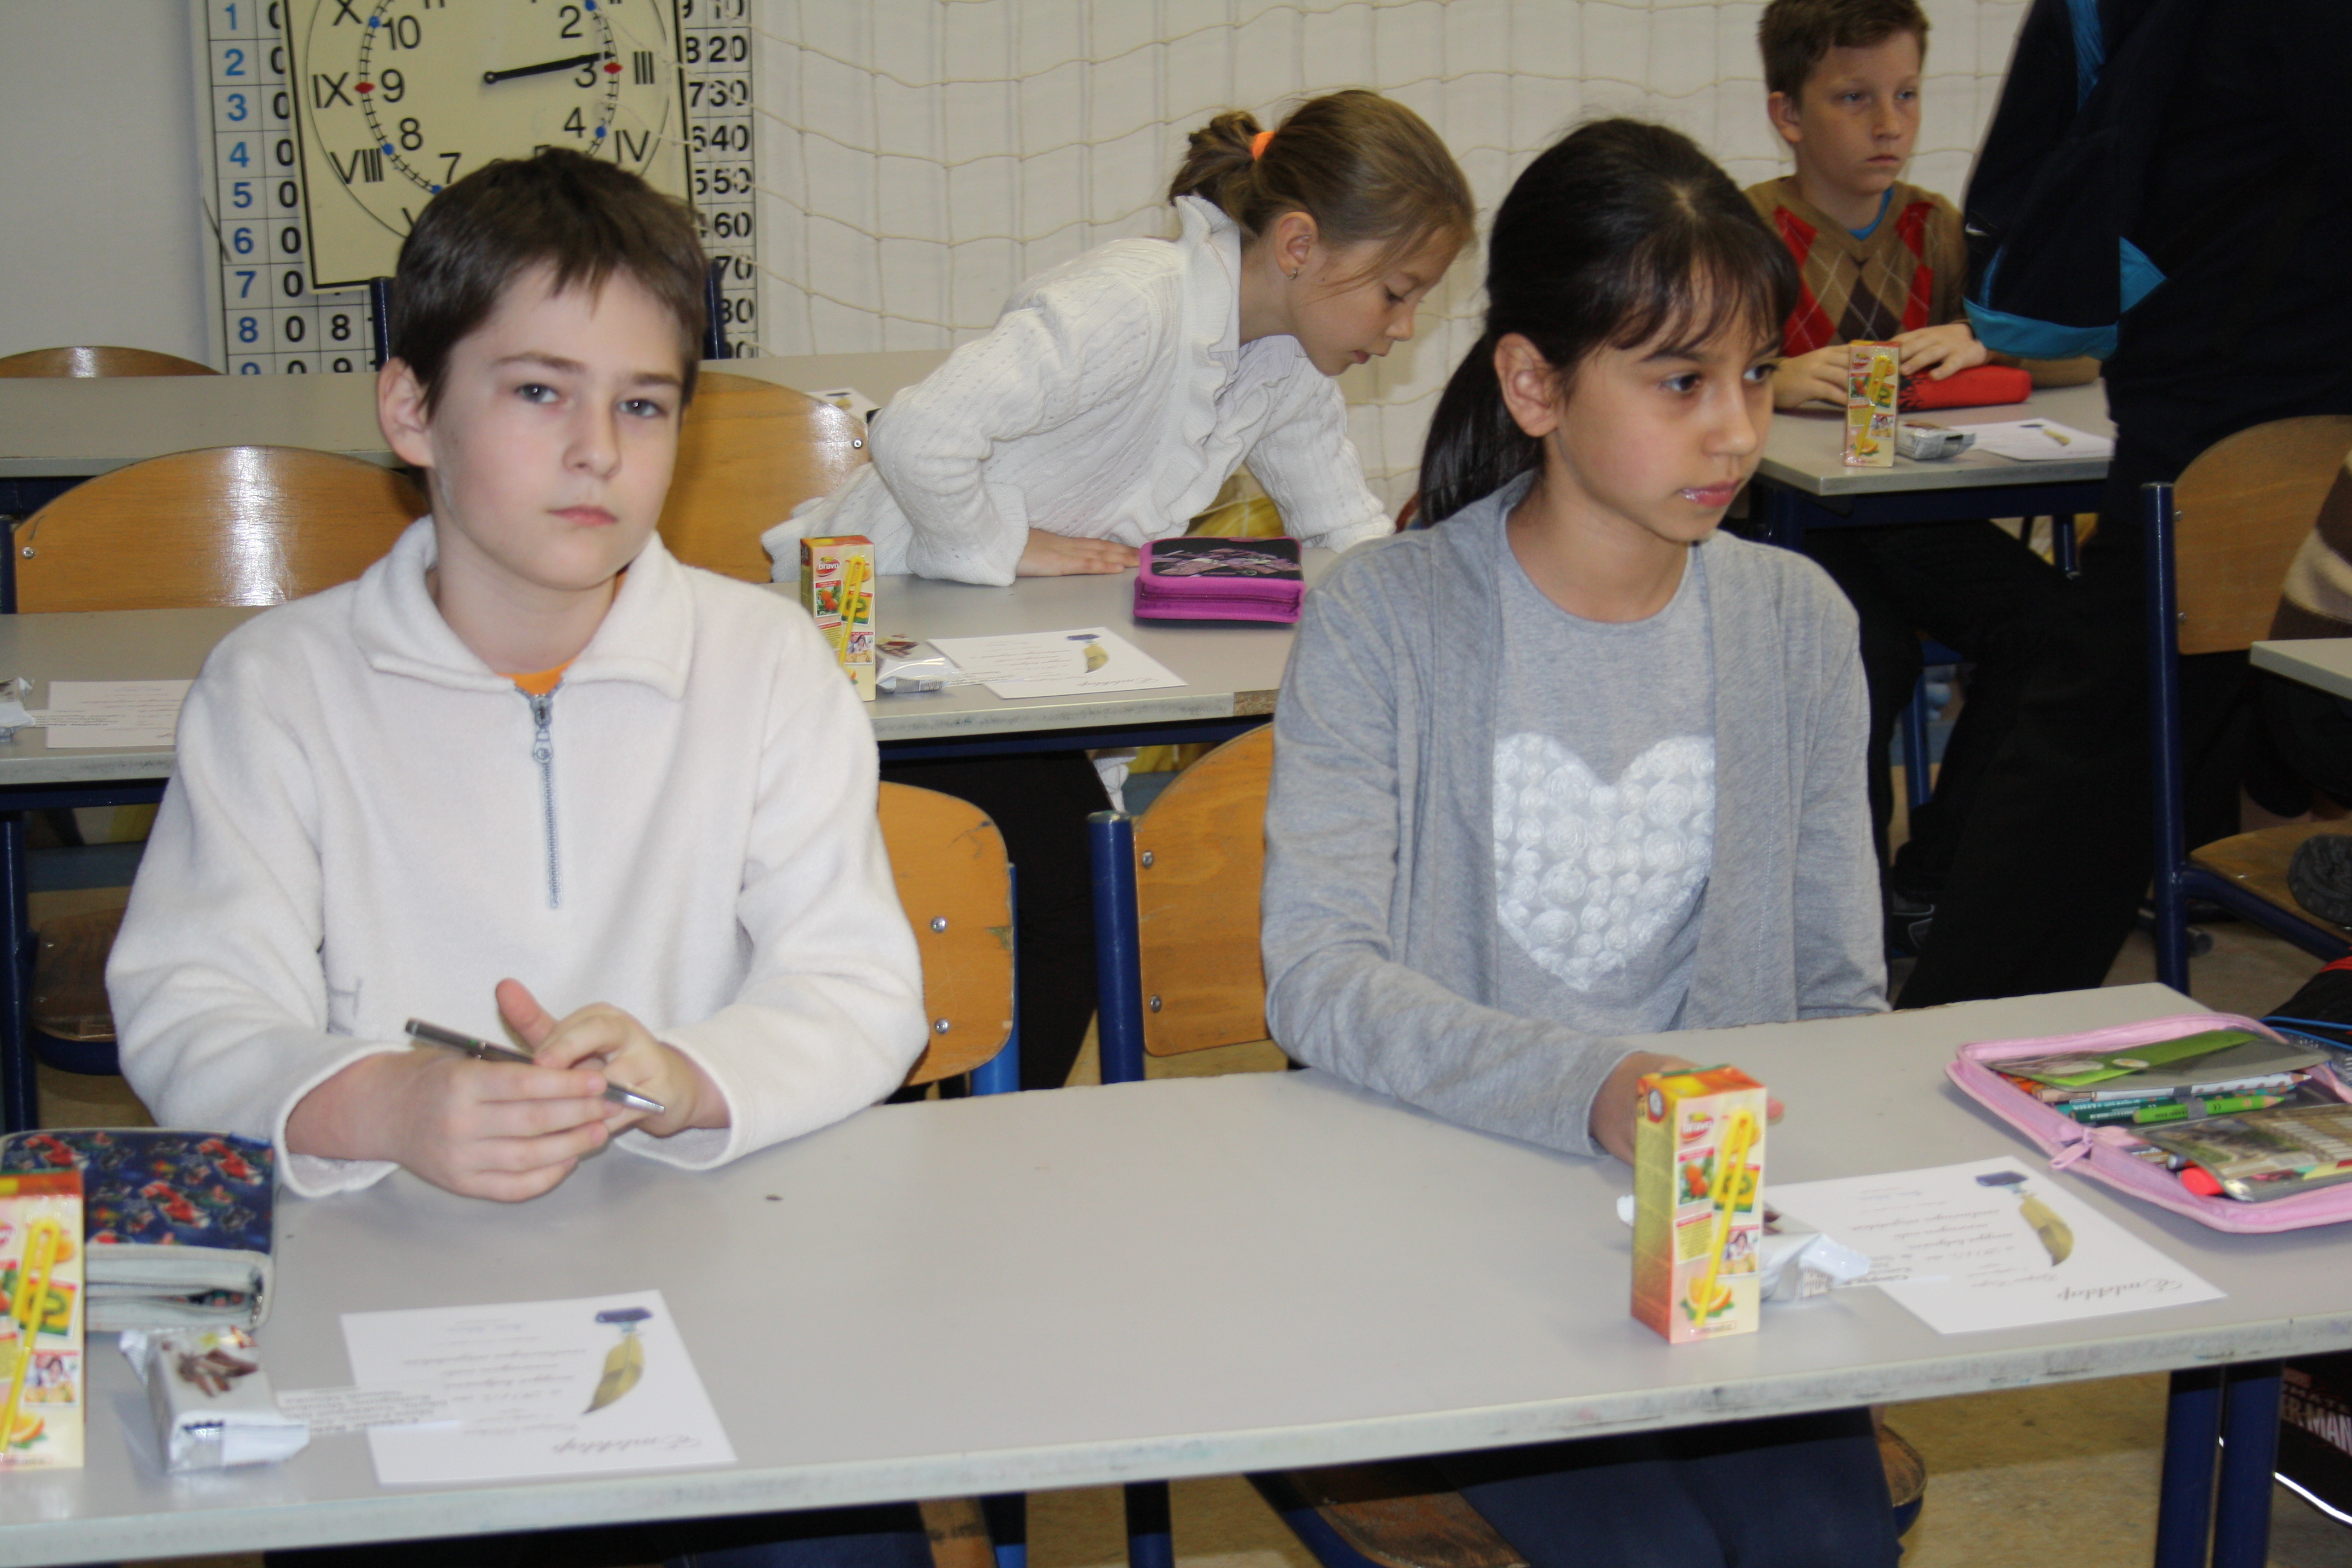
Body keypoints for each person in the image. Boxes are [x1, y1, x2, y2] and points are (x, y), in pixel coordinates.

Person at [108, 150, 932, 1566]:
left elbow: (861, 988)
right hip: (401, 1295)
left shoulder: (766, 663)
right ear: (411, 409)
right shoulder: (278, 687)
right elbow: (190, 1005)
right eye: (541, 391)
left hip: (719, 1274)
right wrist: (383, 1103)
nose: (598, 449)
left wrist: (687, 1076)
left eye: (644, 403)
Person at [1261, 119, 1898, 1567]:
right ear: (1534, 384)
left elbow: (1836, 994)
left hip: (1716, 1233)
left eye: (1753, 374)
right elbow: (1319, 978)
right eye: (1680, 381)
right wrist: (1598, 1089)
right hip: (1448, 1222)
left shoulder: (1796, 624)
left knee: (1824, 1546)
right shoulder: (1383, 619)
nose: (1735, 429)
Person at [768, 90, 1477, 1091]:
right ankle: (949, 1125)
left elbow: (1346, 531)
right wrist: (1006, 542)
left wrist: (1456, 624)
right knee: (1055, 894)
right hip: (873, 638)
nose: (1403, 328)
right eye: (1396, 293)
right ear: (1299, 245)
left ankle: (988, 1125)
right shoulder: (1133, 301)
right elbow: (918, 436)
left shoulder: (1282, 364)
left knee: (1084, 887)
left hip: (1003, 660)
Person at [1897, 0, 2352, 1007]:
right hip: (2246, 416)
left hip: (2230, 384)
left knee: (2102, 759)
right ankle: (1952, 1031)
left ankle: (1961, 1022)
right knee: (2092, 769)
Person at [1746, 0, 2091, 942]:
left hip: (1920, 517)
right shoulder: (1746, 233)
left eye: (1906, 95)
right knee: (1864, 653)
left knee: (2054, 628)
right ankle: (1842, 912)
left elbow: (2078, 355)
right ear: (1787, 114)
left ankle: (1937, 878)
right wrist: (1768, 377)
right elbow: (1681, 373)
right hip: (1792, 526)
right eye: (1854, 98)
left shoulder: (1939, 228)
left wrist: (1987, 338)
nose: (1888, 124)